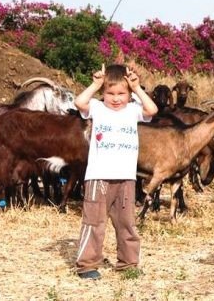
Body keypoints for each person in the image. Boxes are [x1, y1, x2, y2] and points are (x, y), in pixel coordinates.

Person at [74, 63, 158, 280]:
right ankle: (87, 264)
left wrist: (138, 88)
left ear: (129, 94)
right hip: (98, 178)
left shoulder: (133, 110)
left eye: (122, 93)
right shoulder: (97, 108)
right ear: (103, 93)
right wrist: (95, 84)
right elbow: (79, 102)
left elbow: (152, 110)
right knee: (94, 222)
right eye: (110, 93)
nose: (116, 98)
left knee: (126, 223)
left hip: (126, 178)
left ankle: (128, 263)